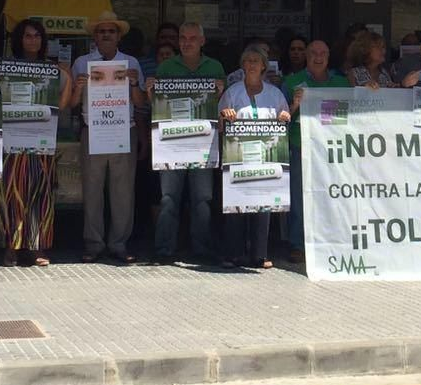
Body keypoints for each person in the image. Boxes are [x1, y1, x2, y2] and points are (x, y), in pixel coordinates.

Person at [0, 19, 76, 267]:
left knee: (40, 194)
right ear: (19, 39)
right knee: (10, 194)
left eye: (37, 36)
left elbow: (62, 105)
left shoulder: (51, 70)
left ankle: (36, 248)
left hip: (41, 141)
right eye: (28, 36)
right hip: (12, 142)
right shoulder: (6, 67)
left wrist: (67, 79)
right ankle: (11, 248)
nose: (33, 40)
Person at [146, 22, 225, 264]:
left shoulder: (215, 67)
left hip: (204, 143)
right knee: (169, 198)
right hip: (172, 144)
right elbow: (158, 107)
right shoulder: (167, 66)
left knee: (202, 198)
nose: (186, 42)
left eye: (192, 38)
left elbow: (223, 108)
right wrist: (151, 93)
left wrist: (220, 93)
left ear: (202, 41)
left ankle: (201, 249)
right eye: (183, 38)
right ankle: (164, 249)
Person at [69, 14, 141, 265]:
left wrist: (133, 85)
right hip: (94, 129)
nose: (107, 35)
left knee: (123, 191)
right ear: (95, 36)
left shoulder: (130, 62)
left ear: (119, 36)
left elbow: (141, 103)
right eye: (102, 31)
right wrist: (78, 87)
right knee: (92, 189)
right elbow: (72, 104)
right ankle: (94, 244)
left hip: (124, 128)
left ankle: (119, 244)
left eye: (111, 31)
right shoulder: (81, 62)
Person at [219, 45, 294, 269]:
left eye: (256, 61)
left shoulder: (274, 93)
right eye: (248, 60)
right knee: (236, 204)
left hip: (266, 156)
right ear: (243, 65)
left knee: (263, 204)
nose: (251, 64)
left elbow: (285, 122)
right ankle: (234, 254)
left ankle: (259, 254)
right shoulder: (232, 92)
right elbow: (219, 125)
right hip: (238, 156)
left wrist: (285, 116)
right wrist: (225, 115)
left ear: (264, 66)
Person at [283, 40, 349, 264]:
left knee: (331, 194)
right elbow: (280, 118)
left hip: (332, 150)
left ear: (329, 57)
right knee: (300, 197)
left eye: (322, 53)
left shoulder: (341, 83)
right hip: (300, 145)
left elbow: (353, 116)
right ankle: (298, 244)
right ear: (306, 56)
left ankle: (330, 240)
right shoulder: (291, 82)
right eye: (313, 53)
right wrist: (295, 104)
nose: (318, 57)